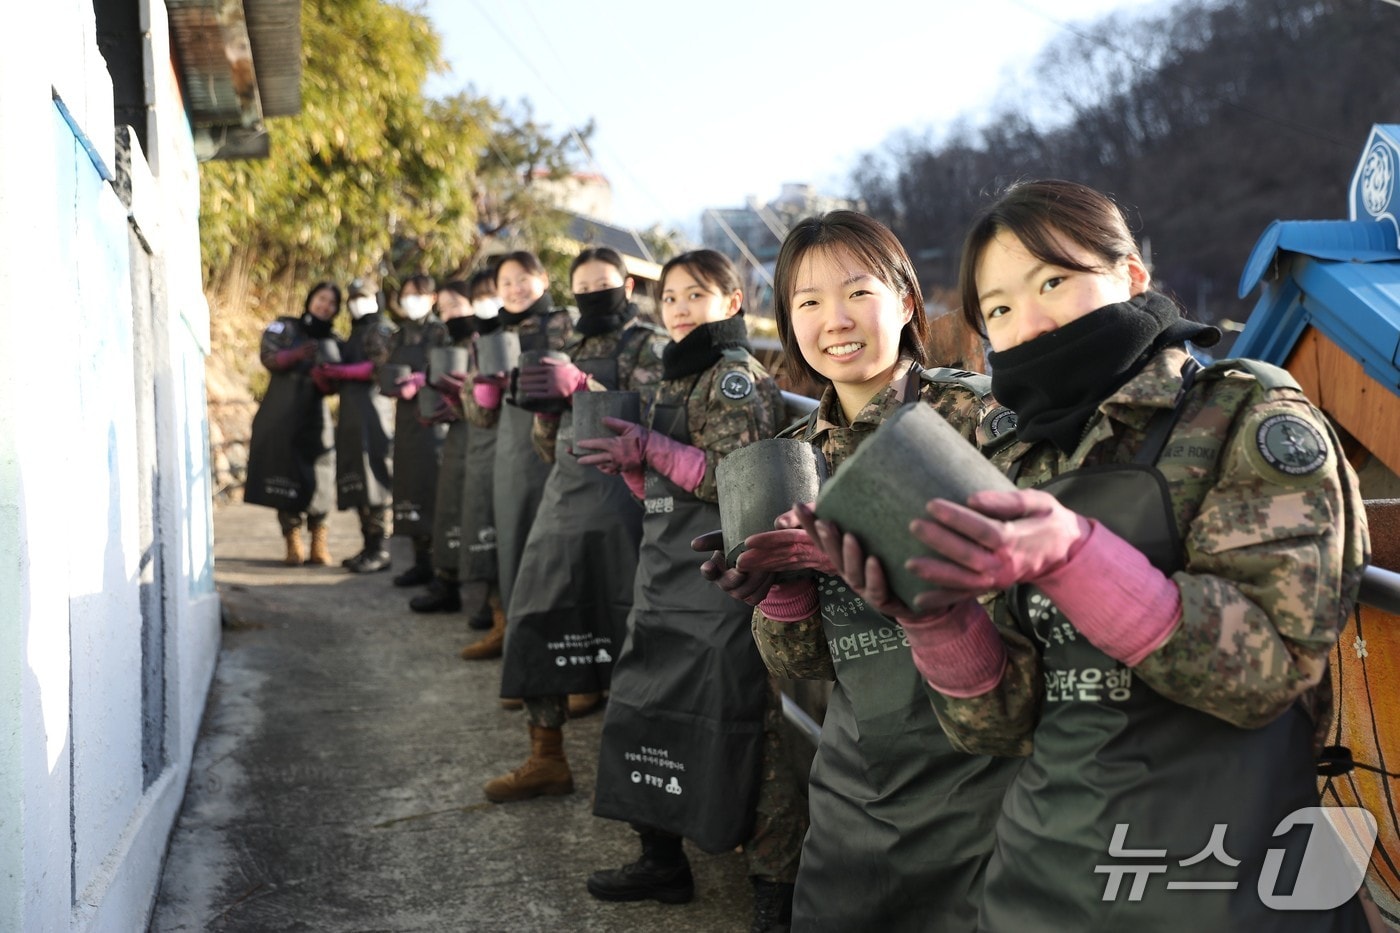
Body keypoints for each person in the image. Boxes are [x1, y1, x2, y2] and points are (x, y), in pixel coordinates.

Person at [800, 181, 1371, 931]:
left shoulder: (1241, 414)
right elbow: (999, 726)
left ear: (1131, 275)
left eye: (1052, 283)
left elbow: (1268, 673)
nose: (1030, 322)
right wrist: (937, 622)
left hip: (1220, 880)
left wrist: (1075, 557)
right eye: (999, 309)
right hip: (1044, 874)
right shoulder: (1020, 455)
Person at [702, 212, 1021, 932]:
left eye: (857, 293)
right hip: (858, 761)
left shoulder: (976, 416)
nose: (835, 321)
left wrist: (878, 557)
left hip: (982, 761)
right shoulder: (790, 455)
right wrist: (780, 594)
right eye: (809, 302)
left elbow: (1032, 594)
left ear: (905, 302)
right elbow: (802, 662)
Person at [576, 250, 806, 933]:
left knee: (747, 733)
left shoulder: (734, 378)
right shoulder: (676, 373)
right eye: (670, 296)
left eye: (696, 295)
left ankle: (773, 897)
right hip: (662, 574)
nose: (678, 307)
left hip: (720, 580)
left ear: (732, 303)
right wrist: (636, 468)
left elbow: (742, 480)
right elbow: (666, 485)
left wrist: (654, 450)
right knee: (644, 709)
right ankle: (660, 859)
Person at [483, 247, 668, 801]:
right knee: (536, 611)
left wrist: (583, 386)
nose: (592, 294)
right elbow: (547, 445)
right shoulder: (568, 346)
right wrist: (543, 408)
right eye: (582, 287)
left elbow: (660, 417)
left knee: (634, 625)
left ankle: (644, 765)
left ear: (627, 286)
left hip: (630, 502)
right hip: (565, 495)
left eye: (601, 284)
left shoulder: (650, 344)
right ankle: (546, 757)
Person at [458, 251, 573, 664]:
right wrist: (484, 389)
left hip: (563, 451)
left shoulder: (567, 325)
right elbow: (479, 416)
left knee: (557, 549)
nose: (515, 289)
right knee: (509, 540)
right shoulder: (489, 337)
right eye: (506, 283)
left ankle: (563, 644)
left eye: (523, 278)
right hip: (510, 454)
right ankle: (508, 628)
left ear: (543, 279)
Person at [244, 280, 340, 566]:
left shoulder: (335, 340)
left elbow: (338, 382)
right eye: (321, 298)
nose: (325, 305)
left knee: (322, 475)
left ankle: (319, 541)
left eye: (332, 302)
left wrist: (327, 379)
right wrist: (294, 355)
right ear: (310, 299)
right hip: (282, 413)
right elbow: (268, 356)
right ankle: (293, 541)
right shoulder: (285, 327)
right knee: (286, 473)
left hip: (316, 416)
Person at [367, 273, 449, 588]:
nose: (411, 300)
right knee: (410, 486)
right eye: (407, 294)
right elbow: (379, 368)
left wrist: (424, 381)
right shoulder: (397, 336)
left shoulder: (441, 331)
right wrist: (388, 382)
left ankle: (443, 567)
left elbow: (451, 370)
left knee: (434, 488)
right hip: (404, 421)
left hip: (436, 420)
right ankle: (420, 561)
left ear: (433, 298)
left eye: (419, 294)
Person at [407, 278, 483, 614]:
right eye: (445, 308)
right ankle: (446, 582)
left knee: (479, 510)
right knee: (449, 505)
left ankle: (485, 597)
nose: (450, 313)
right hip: (455, 436)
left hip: (484, 435)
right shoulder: (448, 342)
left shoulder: (487, 340)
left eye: (457, 305)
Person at [312, 277, 395, 573]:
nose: (358, 303)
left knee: (375, 477)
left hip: (374, 412)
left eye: (364, 297)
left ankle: (380, 549)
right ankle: (368, 545)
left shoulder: (381, 329)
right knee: (357, 478)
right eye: (354, 298)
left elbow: (380, 367)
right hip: (351, 414)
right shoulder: (355, 333)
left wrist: (343, 371)